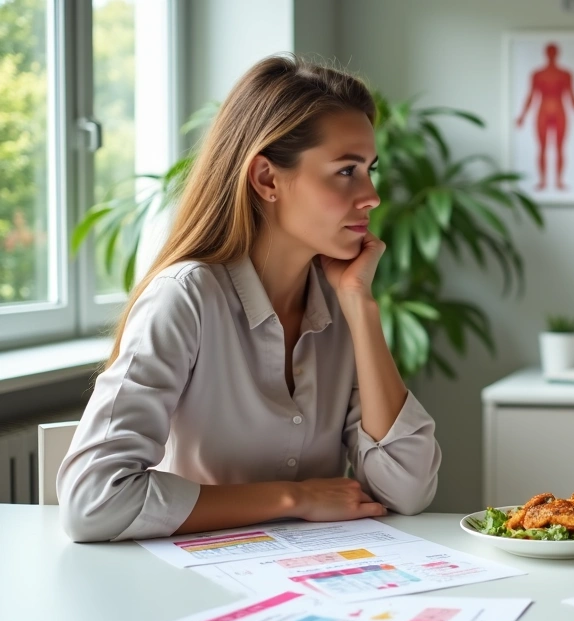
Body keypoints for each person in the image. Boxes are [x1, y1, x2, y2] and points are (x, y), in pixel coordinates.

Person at [58, 54, 442, 543]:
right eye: (346, 171)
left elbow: (407, 489)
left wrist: (361, 307)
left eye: (369, 169)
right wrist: (294, 498)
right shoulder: (185, 299)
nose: (371, 195)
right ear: (266, 179)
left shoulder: (340, 301)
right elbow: (93, 501)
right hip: (190, 588)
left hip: (314, 581)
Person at [515, 42, 574, 191]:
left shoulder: (565, 74)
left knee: (560, 148)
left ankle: (559, 181)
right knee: (542, 148)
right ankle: (542, 181)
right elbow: (531, 95)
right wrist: (522, 115)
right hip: (542, 112)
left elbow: (572, 95)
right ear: (546, 54)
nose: (551, 54)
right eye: (549, 52)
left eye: (553, 52)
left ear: (557, 54)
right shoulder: (537, 74)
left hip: (560, 111)